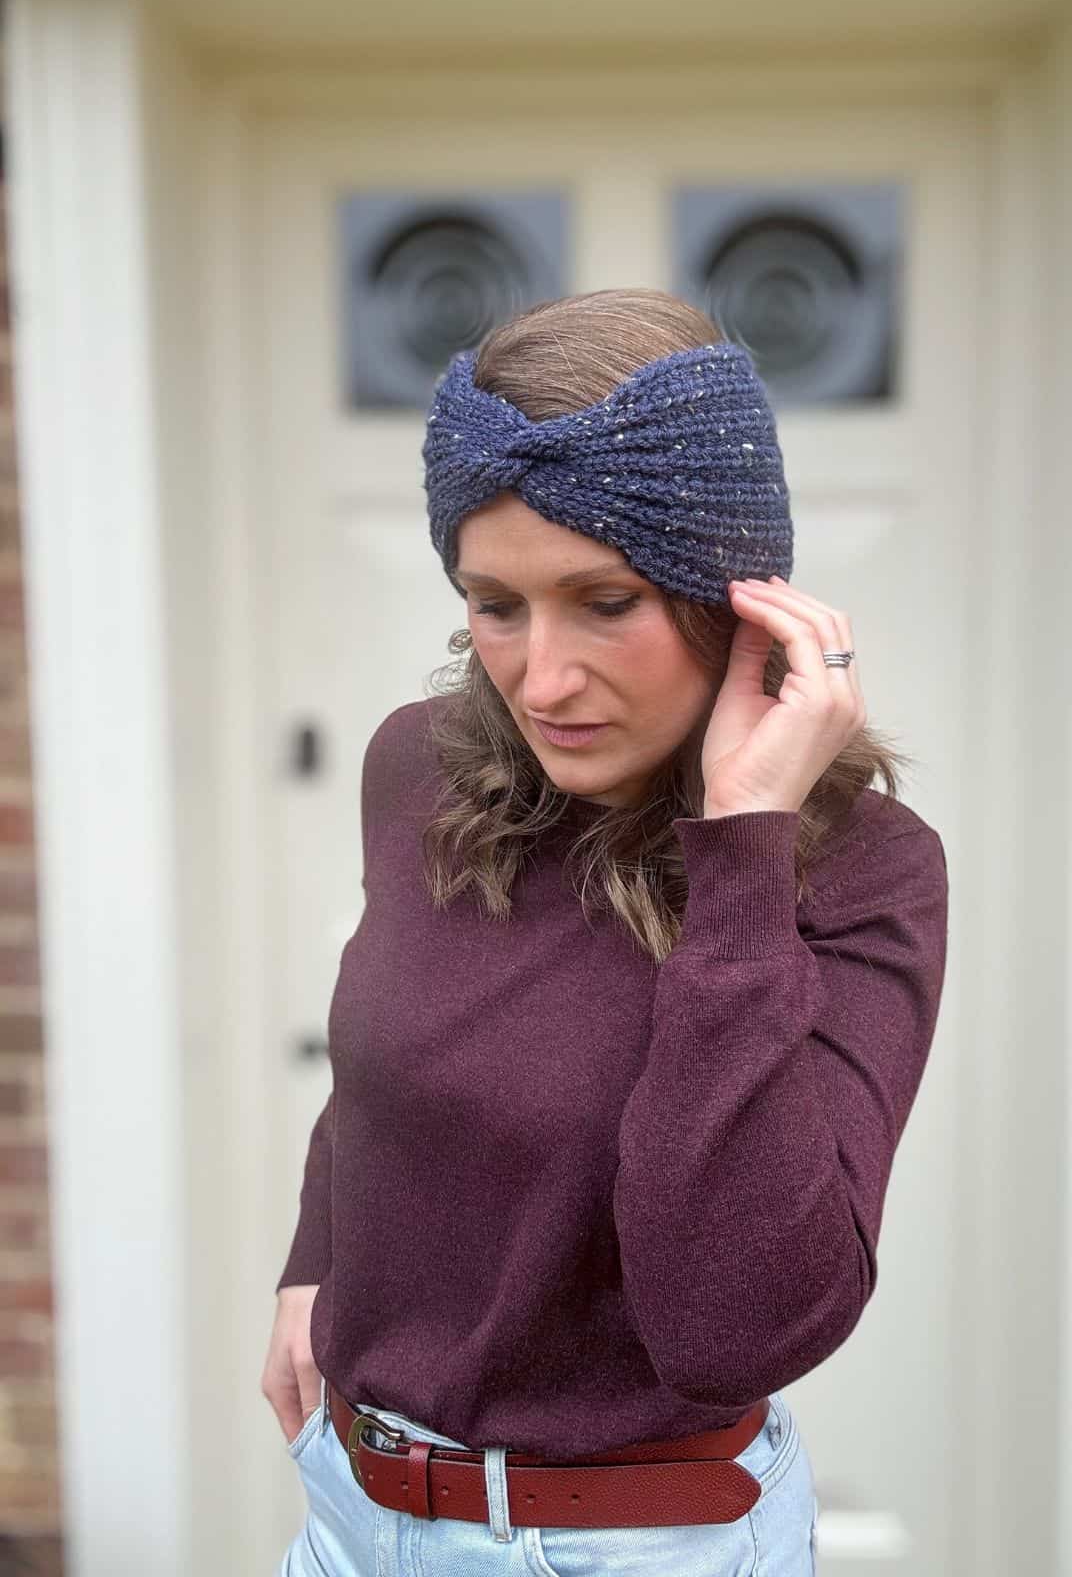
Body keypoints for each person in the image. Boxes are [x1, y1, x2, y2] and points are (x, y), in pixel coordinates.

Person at [262, 287, 950, 1576]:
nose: (542, 679)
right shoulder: (419, 768)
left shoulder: (858, 871)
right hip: (348, 1518)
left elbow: (733, 1327)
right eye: (496, 603)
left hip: (638, 1547)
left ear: (734, 598)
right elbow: (381, 1044)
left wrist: (743, 847)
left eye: (607, 600)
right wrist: (317, 1265)